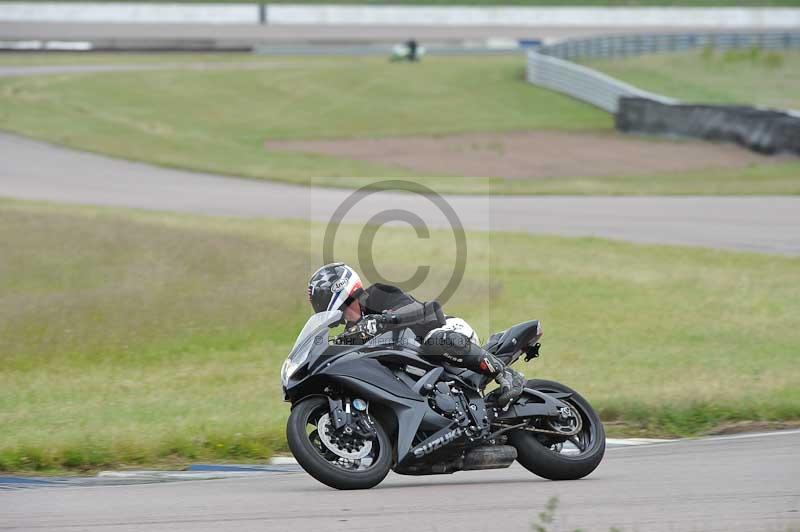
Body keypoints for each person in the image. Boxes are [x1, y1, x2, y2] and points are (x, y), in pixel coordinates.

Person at [307, 262, 525, 407]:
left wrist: (382, 320)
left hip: (446, 332)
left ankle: (504, 373)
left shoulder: (376, 295)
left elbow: (417, 310)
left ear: (339, 288)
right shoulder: (351, 334)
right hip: (419, 372)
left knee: (435, 342)